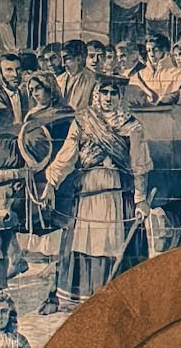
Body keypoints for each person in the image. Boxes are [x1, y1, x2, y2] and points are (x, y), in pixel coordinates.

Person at [40, 78, 152, 313]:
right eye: (104, 93)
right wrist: (51, 182)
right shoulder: (83, 121)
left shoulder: (132, 126)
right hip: (88, 190)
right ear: (97, 95)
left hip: (117, 192)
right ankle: (81, 296)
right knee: (84, 239)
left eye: (113, 93)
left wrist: (140, 199)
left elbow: (139, 165)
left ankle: (114, 298)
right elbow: (67, 155)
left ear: (119, 96)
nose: (108, 98)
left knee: (110, 242)